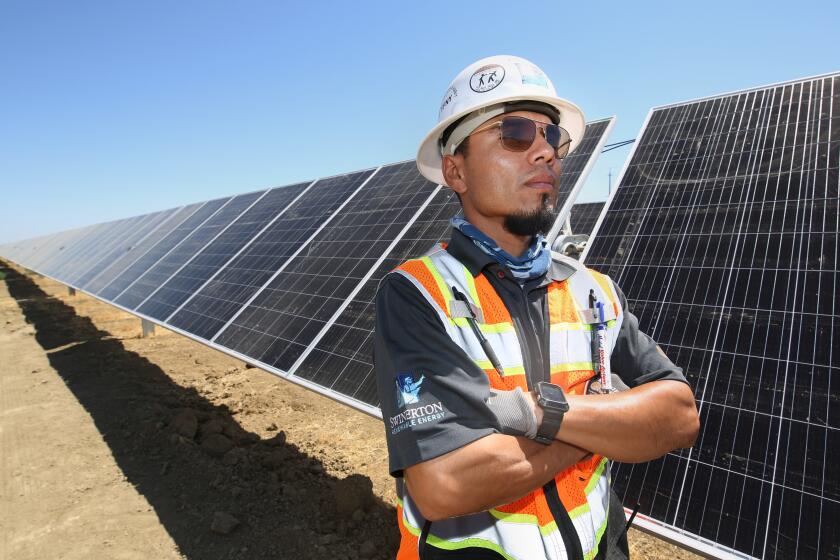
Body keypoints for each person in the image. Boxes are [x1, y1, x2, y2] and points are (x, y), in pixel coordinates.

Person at [374, 55, 700, 560]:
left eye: (553, 138)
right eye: (515, 134)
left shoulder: (595, 290)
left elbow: (679, 416)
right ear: (456, 171)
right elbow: (444, 483)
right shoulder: (419, 294)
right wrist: (610, 427)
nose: (545, 152)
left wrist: (535, 414)